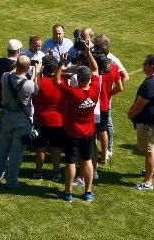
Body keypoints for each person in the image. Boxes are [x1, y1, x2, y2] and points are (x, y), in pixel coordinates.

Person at [56, 47, 100, 202]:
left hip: (72, 132)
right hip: (88, 132)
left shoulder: (73, 92)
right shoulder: (95, 89)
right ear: (89, 79)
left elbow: (57, 79)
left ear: (78, 79)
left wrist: (61, 64)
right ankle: (88, 192)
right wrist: (88, 52)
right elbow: (95, 69)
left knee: (70, 161)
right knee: (87, 160)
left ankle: (68, 193)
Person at [0, 55, 41, 189]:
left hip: (6, 118)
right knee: (16, 153)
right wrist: (36, 72)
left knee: (2, 148)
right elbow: (37, 90)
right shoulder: (29, 85)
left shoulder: (5, 77)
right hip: (22, 121)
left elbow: (13, 72)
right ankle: (12, 181)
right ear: (27, 68)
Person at [127, 54, 154, 191]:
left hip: (147, 122)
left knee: (149, 151)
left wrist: (131, 113)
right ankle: (152, 172)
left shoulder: (150, 84)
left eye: (145, 63)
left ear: (151, 66)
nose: (143, 65)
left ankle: (148, 182)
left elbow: (139, 106)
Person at [95, 34, 129, 160]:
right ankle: (104, 156)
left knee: (93, 134)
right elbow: (120, 87)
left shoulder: (93, 68)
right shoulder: (114, 68)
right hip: (104, 104)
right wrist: (108, 94)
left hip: (93, 105)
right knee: (103, 131)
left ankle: (92, 159)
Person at [31, 55, 65, 181]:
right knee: (56, 149)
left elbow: (34, 87)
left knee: (41, 148)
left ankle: (38, 171)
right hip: (58, 121)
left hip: (41, 120)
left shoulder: (39, 82)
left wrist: (37, 71)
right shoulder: (62, 81)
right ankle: (56, 172)